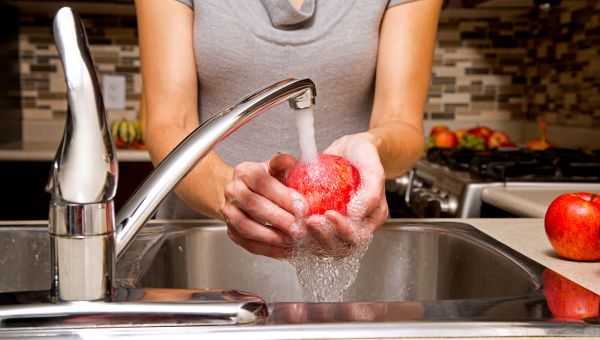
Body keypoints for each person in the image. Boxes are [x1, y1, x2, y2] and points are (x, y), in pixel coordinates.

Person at [135, 0, 441, 259]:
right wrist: (231, 195)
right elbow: (169, 122)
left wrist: (372, 145)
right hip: (203, 246)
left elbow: (402, 122)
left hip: (343, 245)